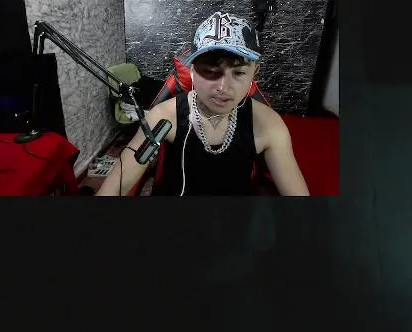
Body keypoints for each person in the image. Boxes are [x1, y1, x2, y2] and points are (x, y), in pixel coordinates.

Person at [97, 11, 309, 196]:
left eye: (238, 73)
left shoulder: (269, 125)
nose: (223, 87)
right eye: (210, 72)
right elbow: (113, 188)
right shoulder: (163, 117)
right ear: (191, 71)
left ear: (255, 73)